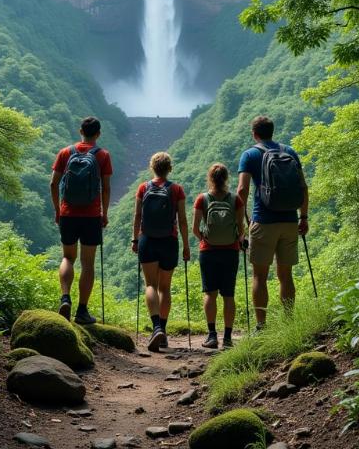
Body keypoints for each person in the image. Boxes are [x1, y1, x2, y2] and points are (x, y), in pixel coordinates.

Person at [236, 115, 309, 327]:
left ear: (254, 134)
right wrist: (303, 216)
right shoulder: (290, 152)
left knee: (259, 276)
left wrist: (242, 223)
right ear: (272, 131)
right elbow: (303, 187)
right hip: (289, 221)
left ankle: (261, 325)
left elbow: (242, 190)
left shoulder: (249, 154)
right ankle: (288, 323)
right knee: (286, 275)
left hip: (263, 220)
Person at [50, 116, 112, 325]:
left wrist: (58, 210)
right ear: (98, 134)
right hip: (91, 216)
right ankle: (82, 311)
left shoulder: (65, 152)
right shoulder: (103, 155)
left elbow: (54, 183)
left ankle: (65, 297)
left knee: (68, 258)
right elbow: (106, 187)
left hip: (68, 213)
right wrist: (104, 213)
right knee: (88, 263)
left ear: (80, 131)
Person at [131, 151, 190, 352]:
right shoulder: (176, 190)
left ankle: (156, 327)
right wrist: (186, 245)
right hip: (169, 242)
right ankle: (162, 332)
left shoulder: (143, 188)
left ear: (152, 168)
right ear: (169, 168)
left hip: (147, 239)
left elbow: (138, 215)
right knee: (165, 287)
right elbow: (182, 220)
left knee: (150, 285)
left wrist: (135, 239)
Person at [192, 163, 245, 349]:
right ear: (226, 178)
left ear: (210, 178)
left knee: (210, 293)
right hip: (230, 251)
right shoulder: (235, 199)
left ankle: (212, 335)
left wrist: (204, 239)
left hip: (209, 251)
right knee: (228, 295)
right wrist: (240, 241)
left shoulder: (202, 199)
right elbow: (241, 229)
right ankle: (228, 338)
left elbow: (195, 229)